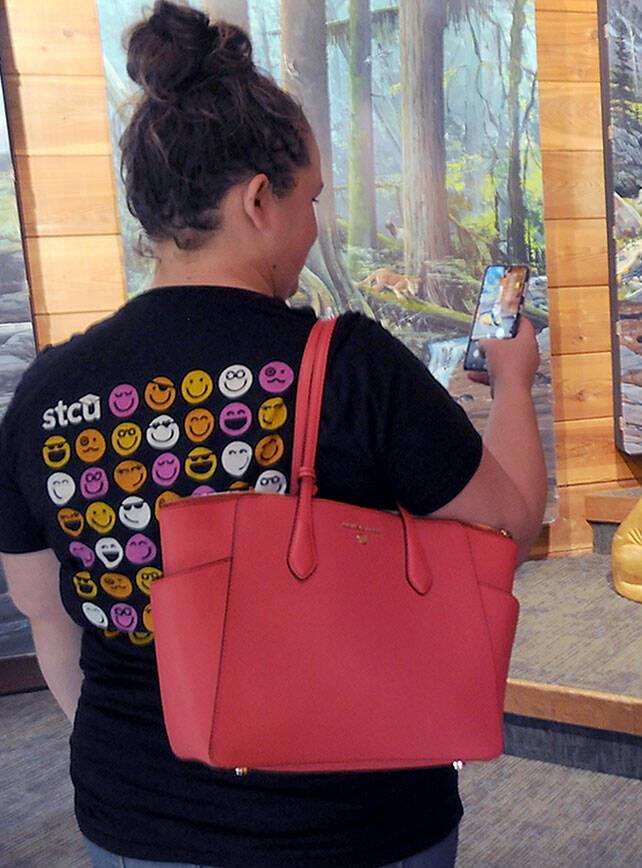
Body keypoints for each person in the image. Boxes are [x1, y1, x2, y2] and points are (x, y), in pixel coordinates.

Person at [0, 2, 546, 865]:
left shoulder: (49, 394)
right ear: (260, 199)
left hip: (136, 814)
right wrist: (512, 383)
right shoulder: (349, 364)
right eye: (313, 200)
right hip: (353, 822)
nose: (315, 225)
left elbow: (45, 612)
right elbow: (505, 530)